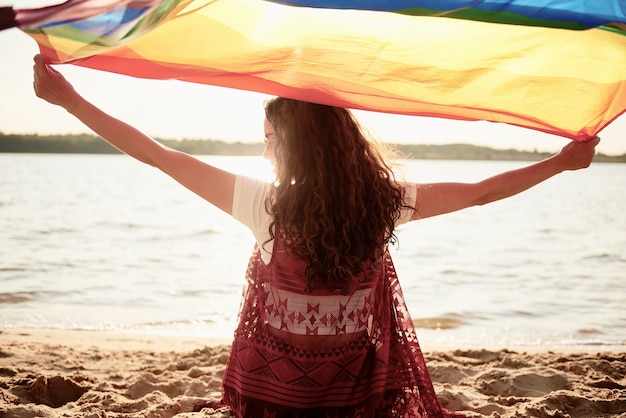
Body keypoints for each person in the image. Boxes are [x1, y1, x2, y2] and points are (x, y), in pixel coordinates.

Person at [32, 54, 599, 418]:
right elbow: (481, 191)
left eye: (268, 137)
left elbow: (158, 156)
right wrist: (559, 163)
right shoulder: (383, 202)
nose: (263, 148)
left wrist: (70, 101)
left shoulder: (264, 204)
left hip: (274, 397)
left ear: (290, 143)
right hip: (355, 396)